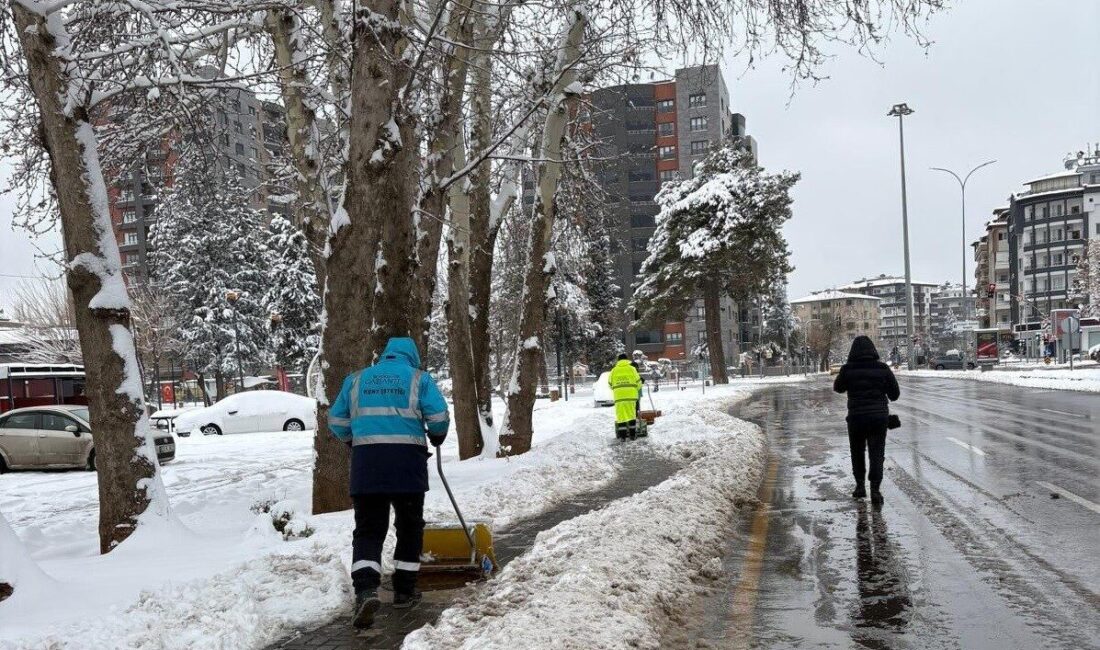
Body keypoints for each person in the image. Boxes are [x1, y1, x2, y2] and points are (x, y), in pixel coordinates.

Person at [328, 337, 450, 629]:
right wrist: (437, 434)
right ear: (412, 357)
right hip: (407, 464)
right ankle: (405, 591)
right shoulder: (418, 379)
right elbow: (439, 415)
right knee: (409, 526)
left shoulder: (356, 380)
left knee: (369, 530)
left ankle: (367, 590)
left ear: (384, 356)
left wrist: (353, 441)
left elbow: (336, 420)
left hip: (367, 464)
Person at [832, 336, 900, 507]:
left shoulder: (847, 369)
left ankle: (860, 486)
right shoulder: (883, 369)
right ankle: (875, 490)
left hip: (856, 418)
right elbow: (895, 395)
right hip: (878, 418)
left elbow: (838, 388)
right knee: (877, 453)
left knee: (857, 452)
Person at [609, 353, 643, 439]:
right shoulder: (632, 369)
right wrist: (634, 389)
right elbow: (639, 383)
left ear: (618, 361)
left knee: (621, 417)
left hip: (619, 398)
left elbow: (610, 384)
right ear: (627, 360)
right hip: (631, 397)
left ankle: (623, 437)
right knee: (632, 415)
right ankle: (632, 436)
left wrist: (617, 389)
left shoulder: (613, 370)